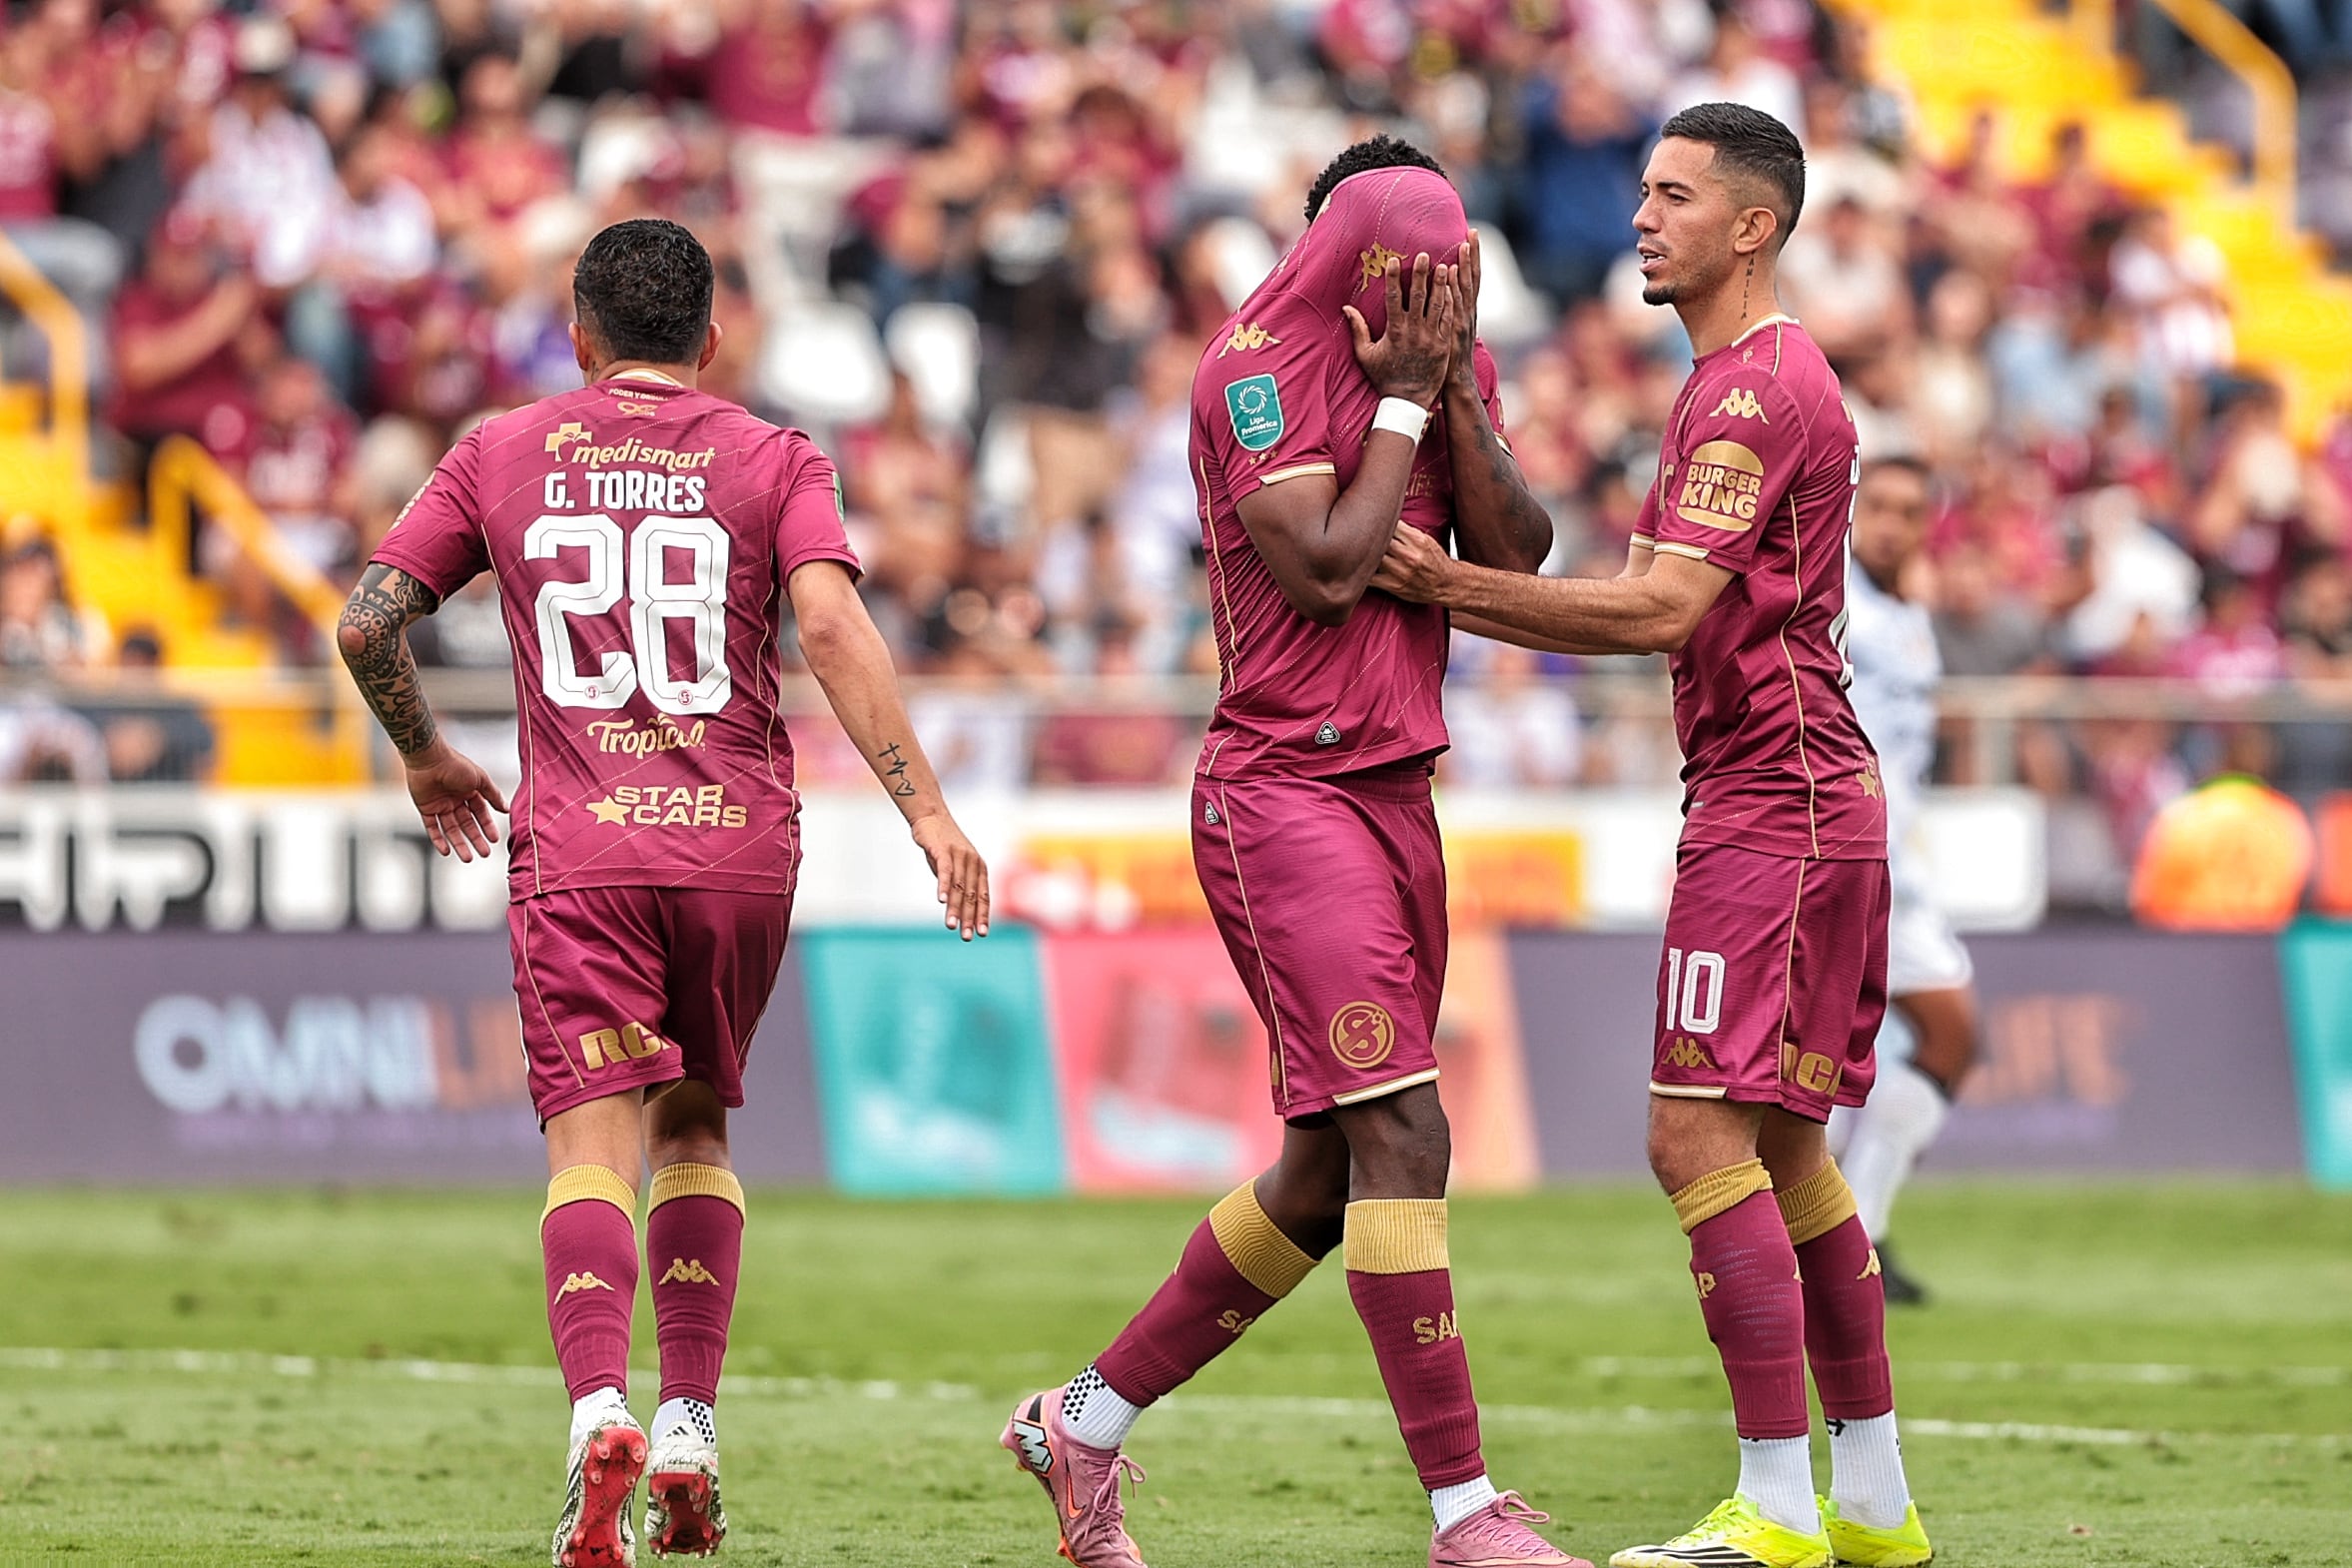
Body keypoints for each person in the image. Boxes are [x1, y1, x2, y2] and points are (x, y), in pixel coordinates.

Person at [335, 218, 990, 1567]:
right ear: (711, 340)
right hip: (736, 850)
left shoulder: (501, 450)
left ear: (578, 336)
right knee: (697, 1124)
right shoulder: (773, 456)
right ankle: (688, 1426)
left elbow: (365, 620)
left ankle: (597, 1422)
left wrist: (422, 753)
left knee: (592, 1148)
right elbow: (829, 624)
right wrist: (925, 811)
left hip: (579, 850)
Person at [999, 137, 1581, 1568]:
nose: (1431, 291)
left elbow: (1515, 557)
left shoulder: (1439, 355)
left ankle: (1079, 1423)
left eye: (1452, 275)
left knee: (1325, 1173)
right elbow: (1323, 571)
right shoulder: (1248, 367)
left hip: (1397, 788)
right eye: (1411, 265)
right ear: (1347, 248)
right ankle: (1463, 1518)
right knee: (1406, 1130)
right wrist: (1394, 400)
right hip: (1282, 791)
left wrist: (1442, 392)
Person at [1373, 104, 1933, 1568]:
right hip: (1807, 797)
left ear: (1751, 226)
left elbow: (1652, 609)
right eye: (1640, 191)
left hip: (1774, 806)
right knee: (1792, 1152)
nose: (1641, 217)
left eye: (1675, 197)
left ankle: (1773, 1503)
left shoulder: (1749, 396)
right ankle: (1866, 1500)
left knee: (1689, 1128)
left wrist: (1438, 586)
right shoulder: (1747, 380)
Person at [1831, 455, 1978, 1305]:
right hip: (1837, 852)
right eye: (1874, 507)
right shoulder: (1833, 595)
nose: (1888, 523)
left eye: (1907, 511)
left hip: (1899, 863)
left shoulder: (1908, 611)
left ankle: (1862, 1227)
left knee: (1951, 1037)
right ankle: (1832, 1242)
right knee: (1813, 1060)